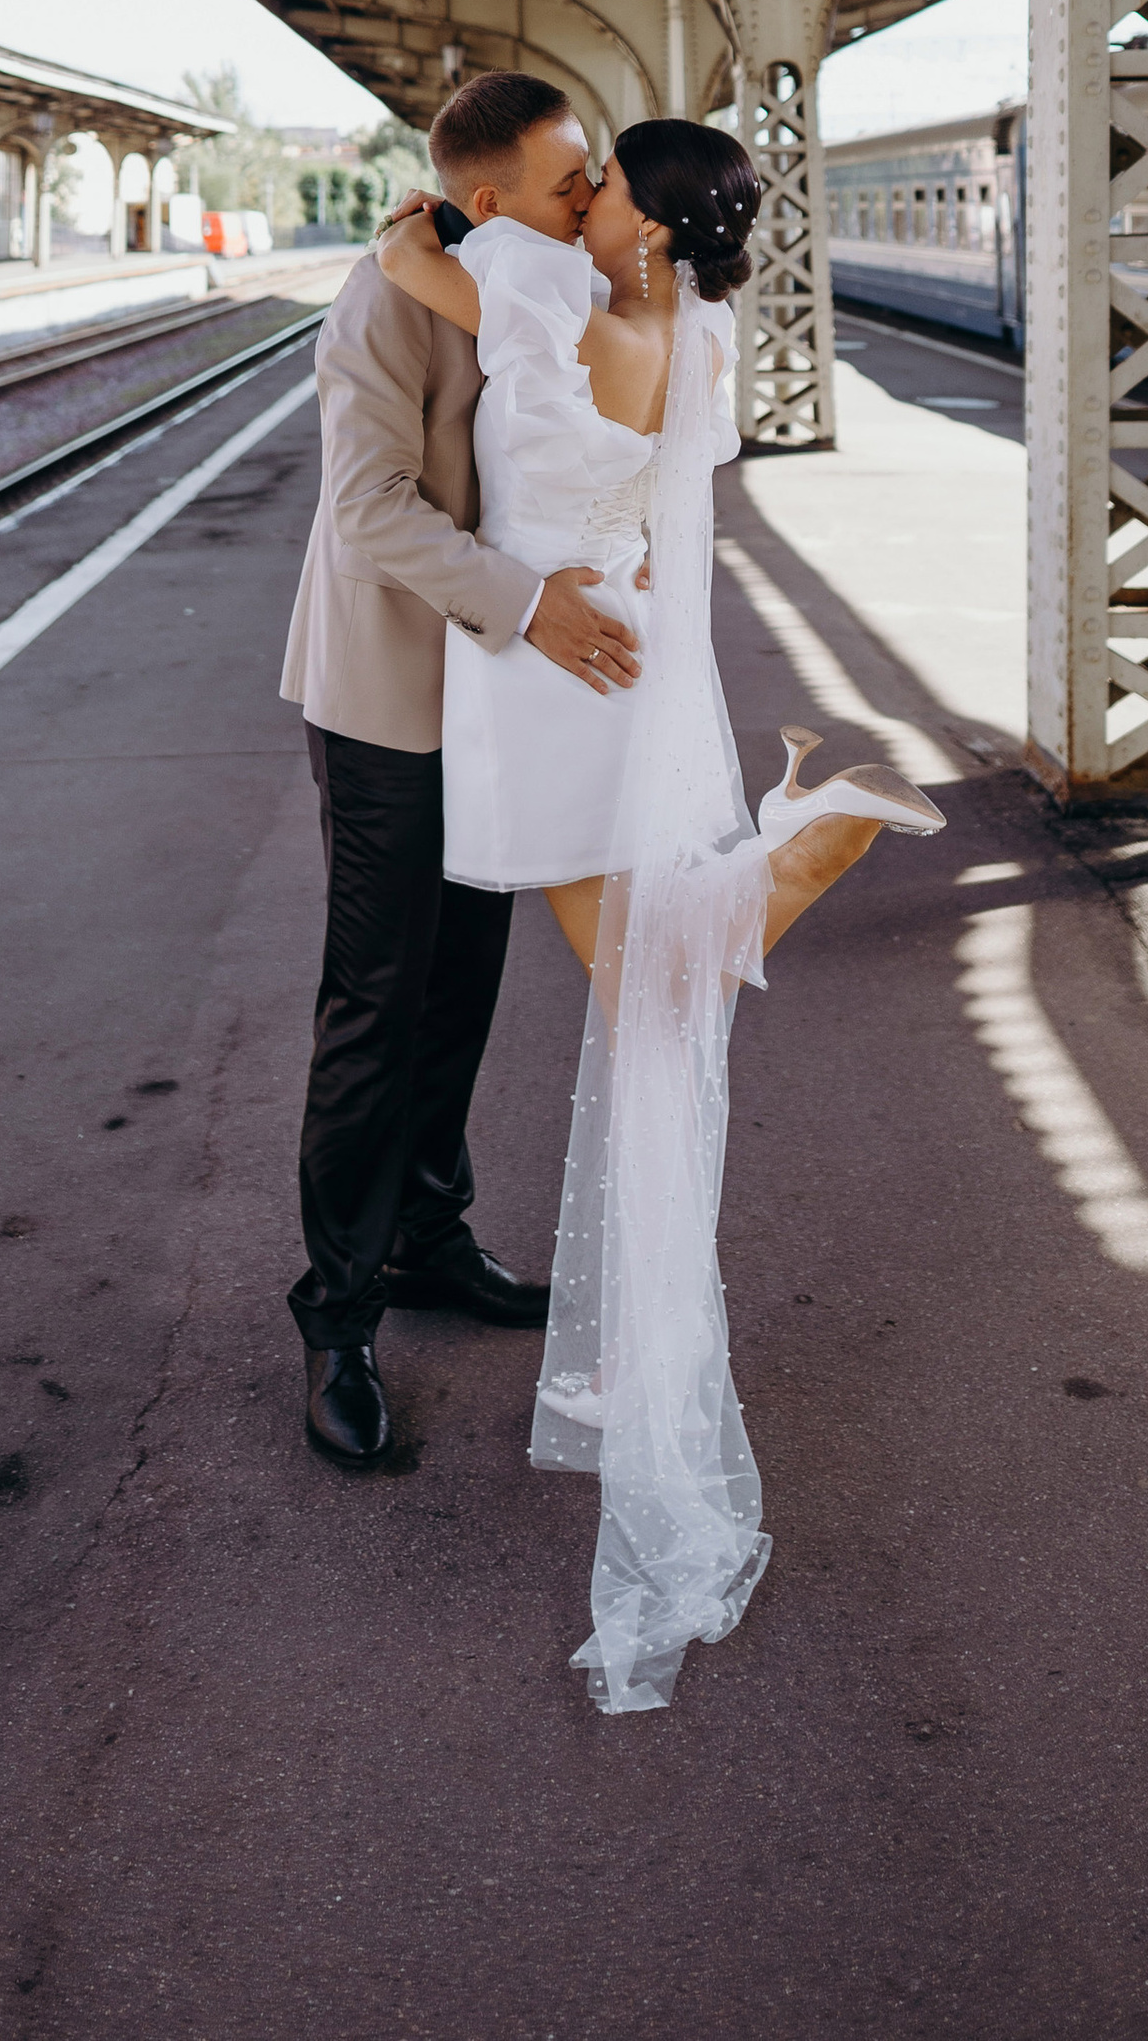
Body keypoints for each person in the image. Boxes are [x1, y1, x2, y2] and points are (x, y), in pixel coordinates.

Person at [373, 107, 942, 1713]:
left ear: (633, 211)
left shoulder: (555, 299)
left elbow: (410, 255)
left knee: (644, 1006)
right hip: (621, 639)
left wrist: (448, 209)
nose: (581, 191)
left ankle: (786, 864)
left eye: (599, 178)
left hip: (549, 673)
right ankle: (647, 1354)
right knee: (648, 1017)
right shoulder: (691, 326)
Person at [277, 74, 655, 1472]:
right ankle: (337, 1316)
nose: (591, 194)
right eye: (571, 181)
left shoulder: (535, 293)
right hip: (390, 696)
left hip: (499, 705)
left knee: (464, 988)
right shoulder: (390, 300)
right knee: (377, 1000)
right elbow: (369, 506)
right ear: (487, 198)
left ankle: (432, 1241)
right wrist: (532, 603)